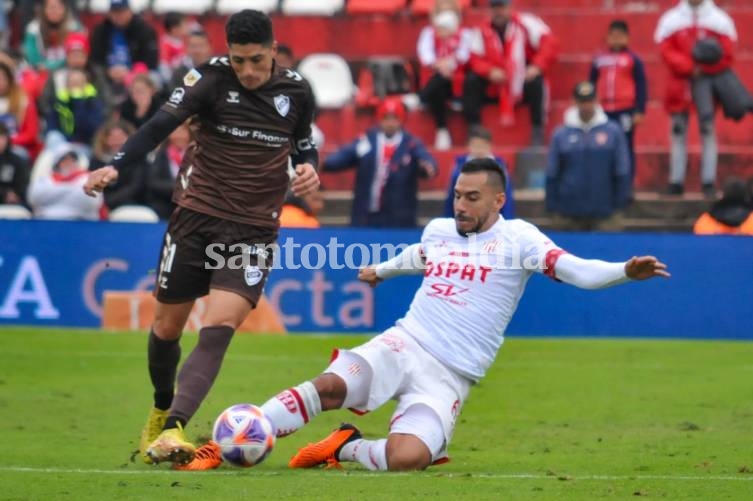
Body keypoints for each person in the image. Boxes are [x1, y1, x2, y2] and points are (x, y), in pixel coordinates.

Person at [186, 157, 669, 471]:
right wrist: (381, 271)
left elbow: (576, 271)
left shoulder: (520, 239)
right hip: (405, 343)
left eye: (472, 198)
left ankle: (346, 446)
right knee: (331, 385)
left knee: (406, 458)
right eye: (457, 195)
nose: (460, 205)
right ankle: (235, 440)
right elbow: (418, 257)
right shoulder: (440, 230)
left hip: (453, 375)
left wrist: (624, 271)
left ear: (498, 200)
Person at [83, 9, 320, 468]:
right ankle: (160, 407)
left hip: (253, 228)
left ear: (273, 50)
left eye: (255, 60)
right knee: (167, 328)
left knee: (218, 329)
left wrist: (309, 166)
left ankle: (175, 426)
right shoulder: (208, 79)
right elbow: (157, 125)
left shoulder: (297, 89)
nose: (247, 71)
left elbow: (303, 141)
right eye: (238, 61)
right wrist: (117, 164)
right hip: (196, 217)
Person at [654, 0, 737, 196]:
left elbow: (727, 53)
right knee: (678, 133)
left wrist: (705, 69)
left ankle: (708, 182)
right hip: (679, 85)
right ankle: (676, 182)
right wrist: (690, 68)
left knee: (708, 132)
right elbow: (666, 51)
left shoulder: (719, 20)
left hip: (707, 86)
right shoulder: (671, 19)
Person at [322, 97, 437, 228]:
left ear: (401, 119)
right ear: (379, 119)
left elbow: (426, 161)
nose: (390, 123)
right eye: (386, 118)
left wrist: (428, 167)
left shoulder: (411, 144)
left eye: (394, 118)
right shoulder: (367, 140)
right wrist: (324, 163)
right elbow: (345, 155)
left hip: (400, 216)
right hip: (367, 214)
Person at [464, 0, 558, 146]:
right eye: (495, 8)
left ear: (509, 8)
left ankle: (537, 130)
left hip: (522, 80)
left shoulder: (527, 23)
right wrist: (489, 71)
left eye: (501, 7)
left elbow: (549, 43)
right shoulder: (481, 30)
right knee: (471, 80)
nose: (498, 12)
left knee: (537, 81)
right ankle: (474, 128)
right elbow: (474, 58)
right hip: (495, 84)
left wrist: (536, 66)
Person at [545, 82, 631, 231]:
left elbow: (622, 170)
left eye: (589, 101)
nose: (585, 106)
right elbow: (552, 172)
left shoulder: (613, 132)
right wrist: (553, 206)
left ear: (596, 100)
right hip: (567, 215)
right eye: (582, 101)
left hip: (606, 214)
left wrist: (619, 203)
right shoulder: (561, 134)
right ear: (574, 101)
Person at [589, 20, 647, 185]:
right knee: (603, 146)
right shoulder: (599, 59)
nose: (616, 39)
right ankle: (605, 183)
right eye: (612, 36)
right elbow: (591, 83)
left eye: (620, 36)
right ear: (607, 37)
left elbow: (641, 85)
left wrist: (639, 110)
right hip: (603, 110)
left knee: (625, 147)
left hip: (625, 110)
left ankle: (626, 184)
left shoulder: (633, 59)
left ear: (627, 38)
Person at [416, 0, 472, 150]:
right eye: (442, 12)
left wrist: (451, 64)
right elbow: (425, 55)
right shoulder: (428, 33)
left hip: (457, 80)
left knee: (444, 79)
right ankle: (442, 130)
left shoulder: (465, 34)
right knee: (438, 82)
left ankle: (420, 98)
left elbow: (465, 55)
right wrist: (438, 64)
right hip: (437, 78)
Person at [89, 0, 159, 104]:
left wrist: (130, 72)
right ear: (109, 13)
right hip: (107, 74)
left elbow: (151, 61)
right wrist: (108, 71)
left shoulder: (144, 29)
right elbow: (95, 59)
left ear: (130, 11)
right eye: (115, 12)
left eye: (122, 11)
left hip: (136, 73)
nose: (118, 16)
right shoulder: (100, 30)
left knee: (155, 78)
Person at [443, 125, 513, 219]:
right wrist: (450, 219)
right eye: (475, 146)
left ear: (490, 146)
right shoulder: (459, 166)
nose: (479, 150)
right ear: (468, 145)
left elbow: (506, 197)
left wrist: (507, 220)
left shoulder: (499, 167)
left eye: (482, 146)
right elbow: (452, 196)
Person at [28, 144, 102, 219]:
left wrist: (54, 192)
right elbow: (34, 198)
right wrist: (74, 190)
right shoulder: (45, 179)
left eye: (72, 159)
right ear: (57, 163)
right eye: (64, 159)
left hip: (81, 221)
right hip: (47, 221)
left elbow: (91, 201)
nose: (69, 162)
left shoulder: (87, 178)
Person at [144, 120, 191, 219]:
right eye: (175, 132)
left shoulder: (196, 154)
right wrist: (179, 188)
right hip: (165, 205)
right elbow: (154, 182)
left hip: (191, 204)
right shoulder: (160, 155)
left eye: (182, 132)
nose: (179, 136)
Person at [22, 0, 84, 72]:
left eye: (58, 7)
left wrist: (54, 66)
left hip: (68, 70)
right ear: (44, 9)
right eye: (51, 8)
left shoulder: (74, 27)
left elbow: (76, 56)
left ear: (65, 9)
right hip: (40, 70)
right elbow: (32, 57)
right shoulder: (33, 28)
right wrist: (44, 67)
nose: (55, 11)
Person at [0, 122, 31, 206]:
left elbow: (23, 184)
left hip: (12, 203)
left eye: (2, 137)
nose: (0, 141)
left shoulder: (16, 161)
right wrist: (4, 194)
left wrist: (14, 195)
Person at [159, 11, 188, 84]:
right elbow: (164, 65)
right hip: (172, 79)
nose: (186, 28)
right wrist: (169, 81)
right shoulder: (165, 44)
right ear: (174, 28)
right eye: (184, 25)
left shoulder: (182, 42)